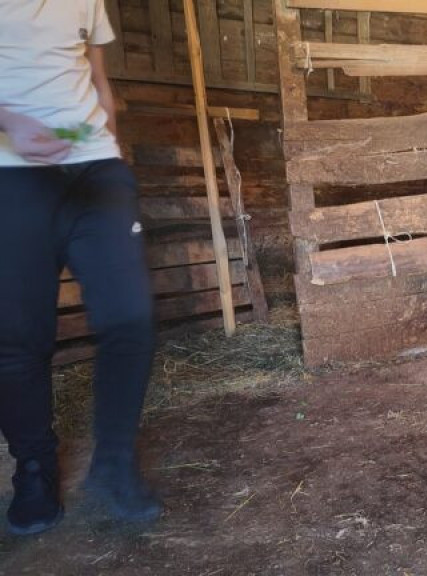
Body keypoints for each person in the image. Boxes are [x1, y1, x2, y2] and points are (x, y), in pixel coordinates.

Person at [0, 0, 162, 534]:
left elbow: (96, 76)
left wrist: (110, 149)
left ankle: (114, 462)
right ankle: (34, 469)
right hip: (10, 171)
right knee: (18, 338)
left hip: (94, 167)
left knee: (131, 318)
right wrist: (10, 123)